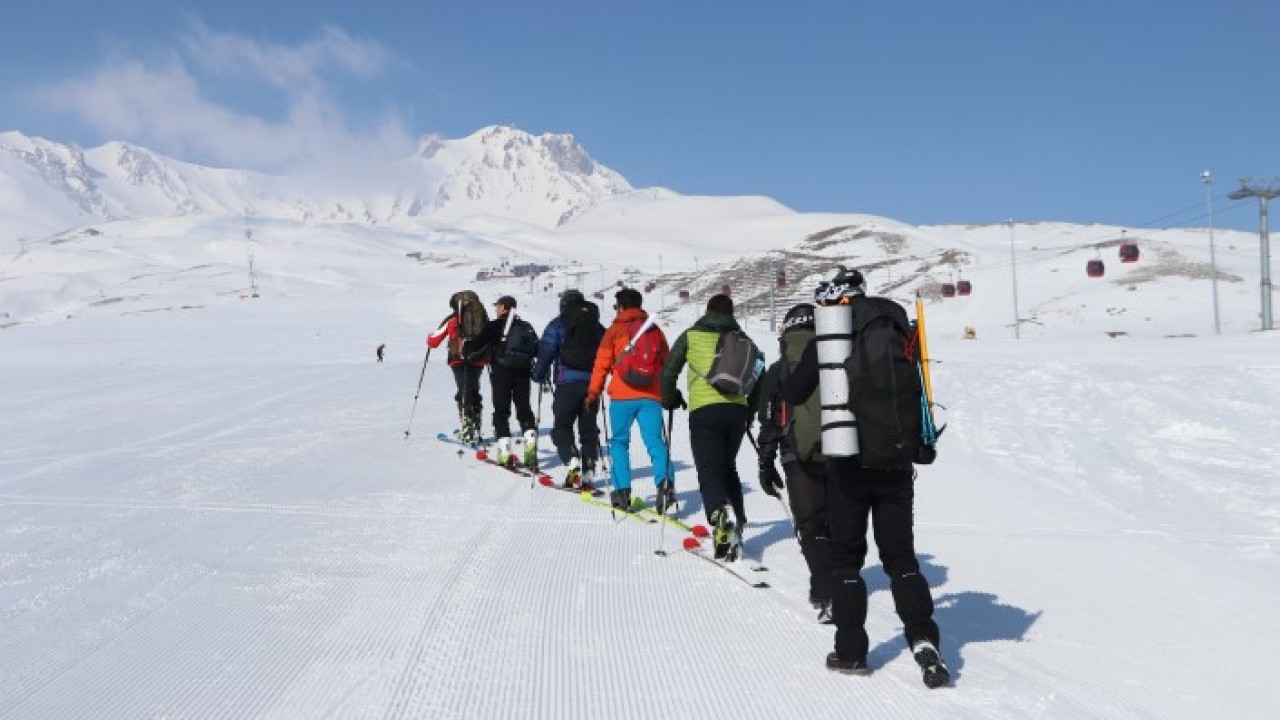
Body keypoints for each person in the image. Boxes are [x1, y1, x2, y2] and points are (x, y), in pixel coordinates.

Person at [780, 268, 948, 686]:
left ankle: (851, 651)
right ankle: (923, 638)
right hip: (896, 458)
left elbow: (795, 392)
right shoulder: (894, 324)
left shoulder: (831, 331)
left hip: (847, 462)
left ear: (837, 299)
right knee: (901, 558)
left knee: (846, 561)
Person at [660, 293, 763, 559]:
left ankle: (719, 514)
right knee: (728, 467)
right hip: (736, 412)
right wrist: (749, 413)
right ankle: (738, 522)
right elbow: (758, 376)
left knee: (709, 471)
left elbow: (669, 371)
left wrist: (669, 398)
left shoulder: (691, 336)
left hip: (705, 412)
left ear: (707, 311)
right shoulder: (745, 340)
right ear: (731, 313)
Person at [754, 303, 834, 623]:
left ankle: (827, 593)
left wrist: (765, 463)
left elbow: (768, 419)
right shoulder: (837, 359)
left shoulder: (778, 370)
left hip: (795, 453)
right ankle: (839, 584)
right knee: (839, 523)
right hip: (841, 451)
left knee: (810, 525)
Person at [587, 288, 673, 511]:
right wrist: (667, 390)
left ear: (621, 306)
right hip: (650, 396)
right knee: (655, 442)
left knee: (619, 443)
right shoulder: (653, 329)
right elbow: (667, 362)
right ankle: (665, 486)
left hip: (622, 396)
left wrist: (593, 393)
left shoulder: (614, 331)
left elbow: (601, 364)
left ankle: (622, 493)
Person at [531, 290, 605, 487]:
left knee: (562, 426)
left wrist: (538, 373)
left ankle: (571, 460)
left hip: (567, 383)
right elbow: (607, 351)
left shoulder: (558, 324)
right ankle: (589, 469)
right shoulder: (596, 326)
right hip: (592, 385)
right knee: (588, 429)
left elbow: (546, 350)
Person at [466, 295, 538, 466]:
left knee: (501, 411)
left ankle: (504, 452)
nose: (496, 309)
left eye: (497, 306)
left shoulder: (494, 325)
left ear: (504, 307)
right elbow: (536, 348)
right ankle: (530, 445)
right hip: (523, 372)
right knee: (524, 410)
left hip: (501, 373)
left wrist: (467, 348)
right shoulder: (525, 326)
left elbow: (477, 344)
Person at [427, 292, 487, 444]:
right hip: (478, 360)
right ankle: (476, 426)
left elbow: (433, 342)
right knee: (473, 390)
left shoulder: (452, 320)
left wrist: (429, 337)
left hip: (458, 360)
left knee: (463, 391)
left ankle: (467, 429)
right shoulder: (481, 319)